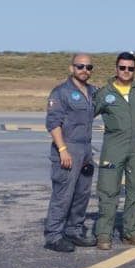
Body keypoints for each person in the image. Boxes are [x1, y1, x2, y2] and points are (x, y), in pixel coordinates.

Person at [93, 52, 135, 250]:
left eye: (130, 68)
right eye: (122, 68)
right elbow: (86, 114)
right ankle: (104, 233)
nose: (126, 71)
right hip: (113, 147)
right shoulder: (104, 93)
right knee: (108, 189)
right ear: (116, 68)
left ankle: (131, 232)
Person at [43, 54, 99, 252]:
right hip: (68, 148)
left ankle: (73, 230)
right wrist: (62, 150)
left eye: (88, 67)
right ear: (71, 68)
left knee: (82, 193)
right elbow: (53, 123)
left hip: (86, 149)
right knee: (63, 194)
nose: (85, 70)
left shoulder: (93, 92)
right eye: (80, 66)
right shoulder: (61, 92)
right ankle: (53, 235)